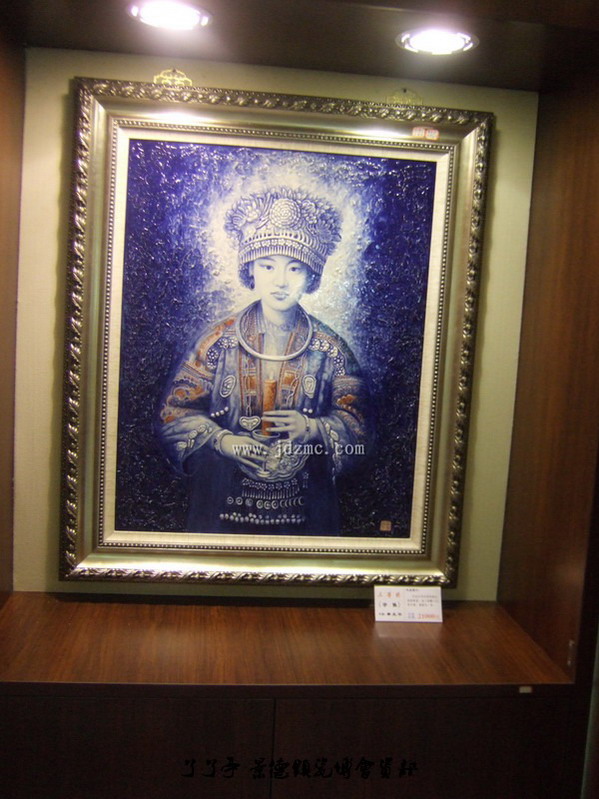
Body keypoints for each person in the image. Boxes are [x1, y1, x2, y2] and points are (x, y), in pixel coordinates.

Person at [158, 187, 370, 535]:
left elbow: (359, 427)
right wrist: (222, 440)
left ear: (311, 277)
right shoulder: (216, 343)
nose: (280, 281)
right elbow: (174, 413)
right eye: (267, 266)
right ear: (251, 270)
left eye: (295, 268)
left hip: (306, 510)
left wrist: (313, 428)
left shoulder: (331, 349)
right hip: (221, 506)